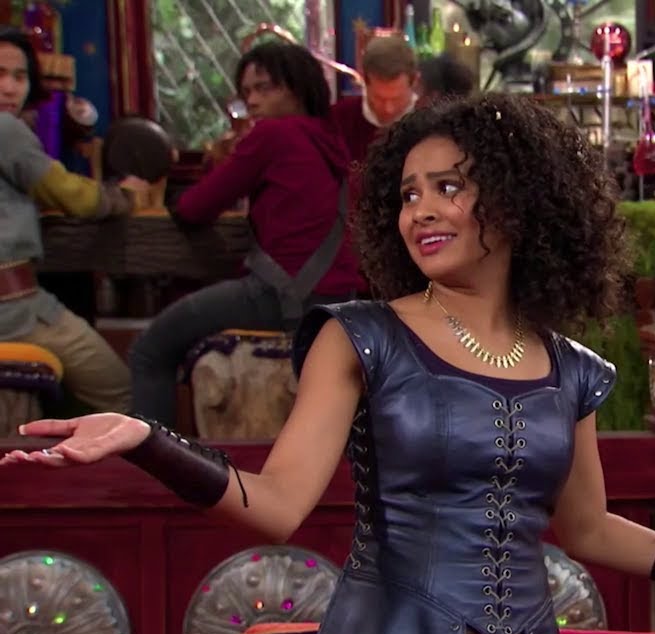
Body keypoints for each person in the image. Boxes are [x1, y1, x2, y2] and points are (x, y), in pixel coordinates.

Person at [3, 92, 655, 634]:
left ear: (515, 204)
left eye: (448, 187)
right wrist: (147, 438)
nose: (422, 212)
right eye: (408, 194)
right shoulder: (361, 336)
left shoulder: (570, 368)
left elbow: (591, 530)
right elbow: (277, 504)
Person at [127, 41, 366, 426]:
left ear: (296, 87)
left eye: (264, 88)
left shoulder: (272, 135)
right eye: (247, 91)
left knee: (148, 350)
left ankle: (151, 457)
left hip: (281, 297)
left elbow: (194, 209)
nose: (252, 100)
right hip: (338, 302)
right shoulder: (331, 140)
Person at [0, 27, 146, 413]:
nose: (10, 88)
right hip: (15, 312)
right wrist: (124, 196)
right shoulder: (5, 129)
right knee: (122, 392)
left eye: (20, 76)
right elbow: (70, 195)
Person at [330, 35, 419, 167]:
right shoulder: (337, 120)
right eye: (379, 98)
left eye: (397, 99)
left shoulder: (434, 124)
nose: (389, 109)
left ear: (415, 81)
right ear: (364, 80)